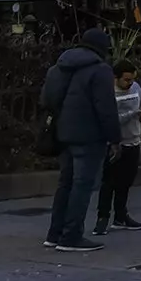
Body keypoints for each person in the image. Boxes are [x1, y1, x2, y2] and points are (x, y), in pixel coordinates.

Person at [40, 26, 123, 251]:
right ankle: (71, 237)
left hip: (62, 133)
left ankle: (54, 234)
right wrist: (115, 138)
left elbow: (46, 100)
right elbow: (106, 108)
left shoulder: (58, 67)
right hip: (89, 136)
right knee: (82, 185)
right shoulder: (100, 70)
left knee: (65, 183)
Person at [94, 62, 141, 233]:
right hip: (114, 142)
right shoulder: (109, 92)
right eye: (126, 80)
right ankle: (102, 217)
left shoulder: (135, 88)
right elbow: (110, 118)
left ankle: (120, 215)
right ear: (116, 78)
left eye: (132, 80)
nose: (129, 83)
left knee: (126, 182)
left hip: (133, 140)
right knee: (108, 182)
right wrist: (134, 113)